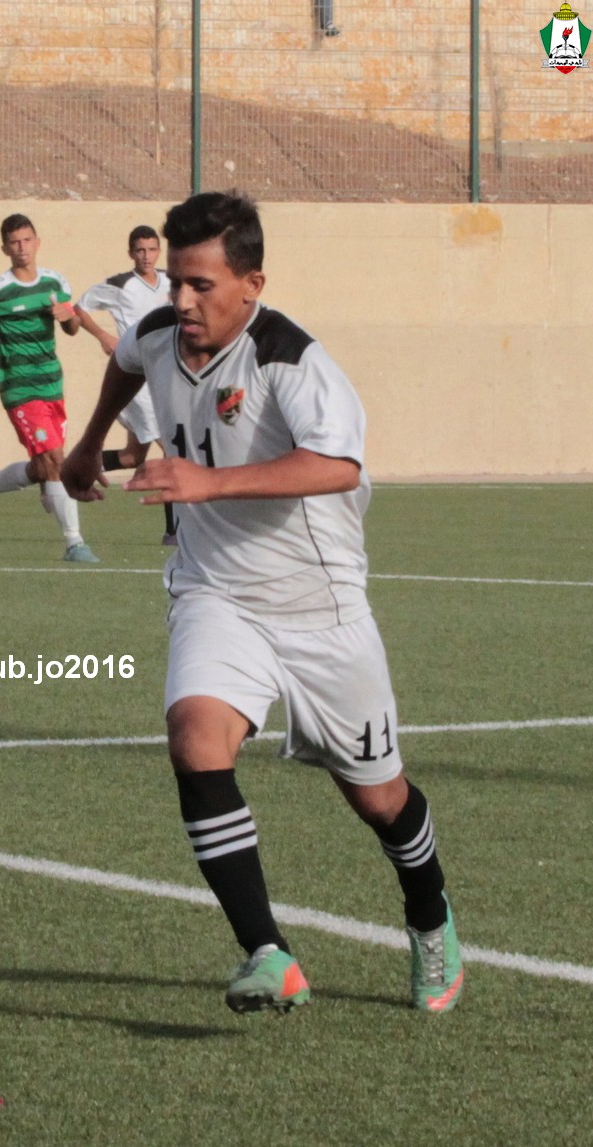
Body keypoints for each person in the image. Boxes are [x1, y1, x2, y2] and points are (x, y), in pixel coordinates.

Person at [62, 193, 463, 1015]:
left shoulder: (290, 358)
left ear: (251, 284)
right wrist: (88, 441)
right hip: (215, 590)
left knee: (380, 798)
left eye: (201, 285)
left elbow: (338, 465)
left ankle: (429, 913)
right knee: (195, 739)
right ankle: (267, 952)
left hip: (320, 608)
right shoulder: (159, 333)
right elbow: (127, 360)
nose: (182, 300)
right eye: (176, 281)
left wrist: (208, 482)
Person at [0, 213, 98, 563]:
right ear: (5, 248)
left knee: (43, 468)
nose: (22, 247)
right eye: (14, 242)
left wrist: (70, 319)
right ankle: (75, 543)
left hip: (52, 384)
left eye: (27, 240)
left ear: (37, 242)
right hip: (19, 387)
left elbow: (71, 328)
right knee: (56, 461)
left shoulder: (55, 282)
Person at [73, 224, 177, 544]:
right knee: (172, 450)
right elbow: (79, 308)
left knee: (133, 457)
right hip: (135, 380)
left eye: (151, 249)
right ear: (131, 253)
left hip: (164, 376)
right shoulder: (120, 285)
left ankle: (64, 470)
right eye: (140, 250)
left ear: (159, 251)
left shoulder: (171, 280)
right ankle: (173, 532)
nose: (146, 255)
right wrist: (103, 336)